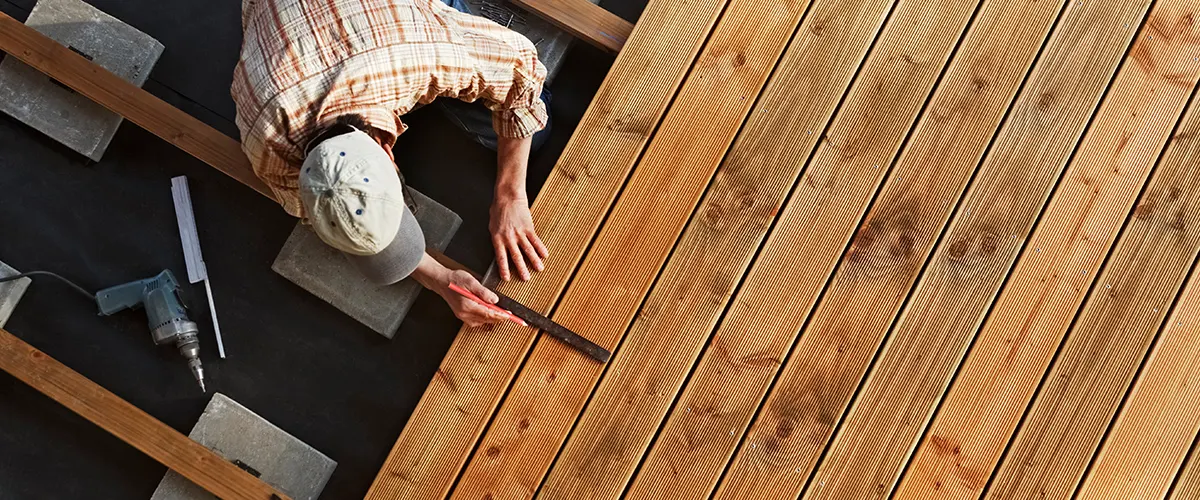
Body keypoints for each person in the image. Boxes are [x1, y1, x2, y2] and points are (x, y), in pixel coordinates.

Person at [233, 0, 553, 327]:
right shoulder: (265, 143)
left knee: (535, 125)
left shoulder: (419, 53)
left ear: (388, 151)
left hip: (383, 32)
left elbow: (522, 70)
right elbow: (314, 211)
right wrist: (442, 279)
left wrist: (510, 197)